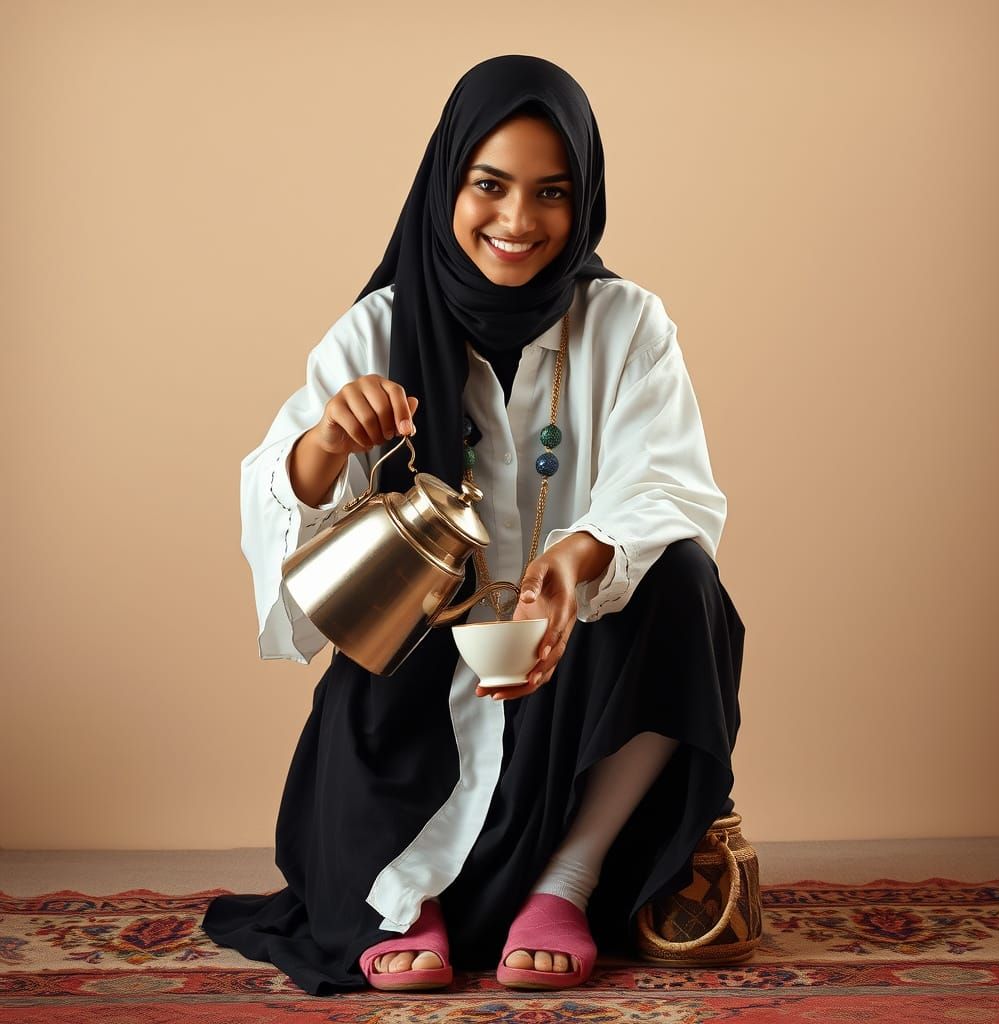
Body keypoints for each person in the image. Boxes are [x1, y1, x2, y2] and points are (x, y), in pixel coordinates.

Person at [201, 53, 745, 996]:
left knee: (687, 580)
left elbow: (673, 486)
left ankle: (566, 881)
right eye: (489, 186)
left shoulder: (626, 324)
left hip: (572, 679)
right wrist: (329, 442)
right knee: (386, 641)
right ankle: (409, 896)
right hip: (408, 695)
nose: (518, 221)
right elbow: (279, 514)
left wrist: (577, 563)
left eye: (552, 192)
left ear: (586, 201)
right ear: (447, 183)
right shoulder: (375, 331)